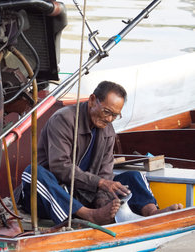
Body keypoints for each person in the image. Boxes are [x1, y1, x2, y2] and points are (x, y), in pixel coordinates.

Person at [20, 81, 183, 225]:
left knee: (133, 176)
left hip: (83, 194)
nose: (110, 119)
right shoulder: (63, 120)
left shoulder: (108, 131)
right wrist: (101, 184)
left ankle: (151, 213)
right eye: (107, 112)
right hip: (53, 195)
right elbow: (60, 167)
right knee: (33, 172)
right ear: (92, 100)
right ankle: (88, 215)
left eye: (115, 115)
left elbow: (105, 174)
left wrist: (103, 204)